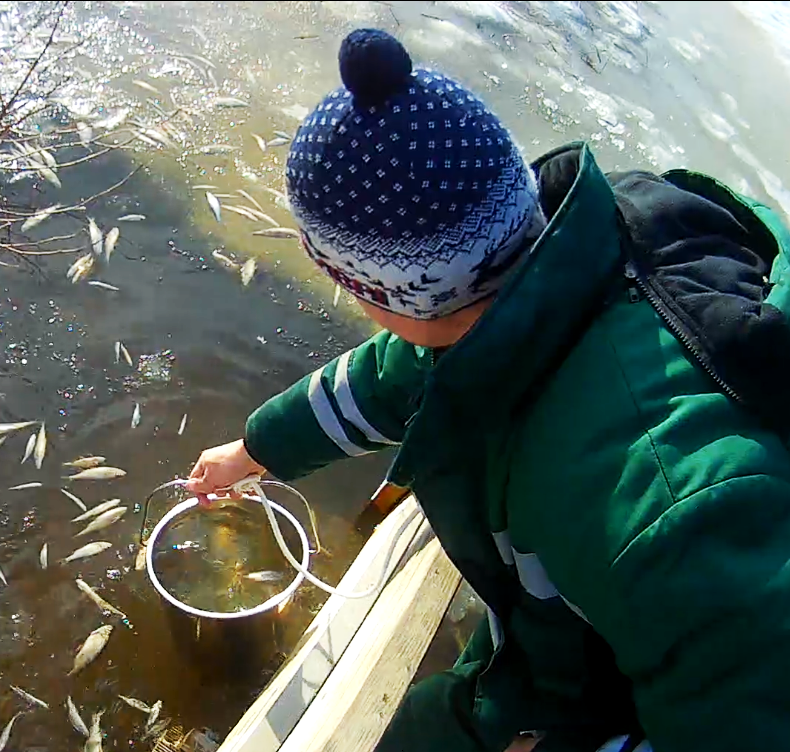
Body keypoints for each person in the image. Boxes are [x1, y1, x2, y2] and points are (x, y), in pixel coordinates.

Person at [186, 27, 790, 752]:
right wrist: (253, 450)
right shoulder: (534, 277)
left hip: (595, 704)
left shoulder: (667, 515)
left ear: (384, 295)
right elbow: (394, 377)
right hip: (559, 644)